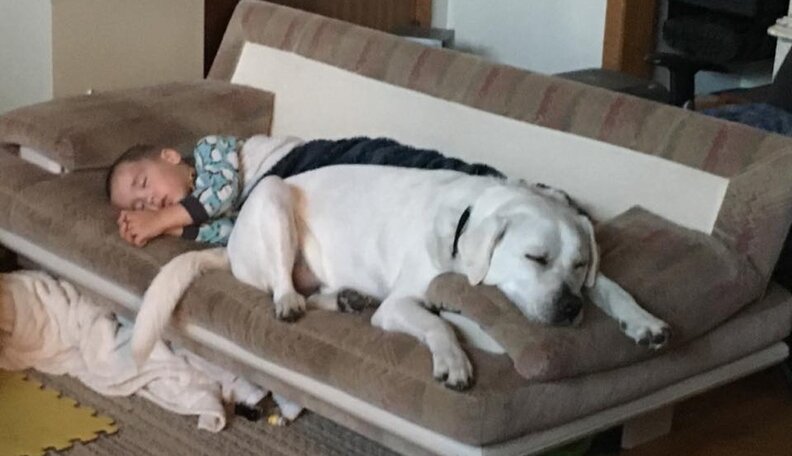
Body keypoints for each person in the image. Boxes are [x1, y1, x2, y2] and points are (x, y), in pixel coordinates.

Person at [107, 135, 503, 247]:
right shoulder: (196, 214)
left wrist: (161, 220)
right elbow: (231, 234)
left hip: (300, 163)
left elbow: (222, 191)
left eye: (143, 183)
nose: (149, 200)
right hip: (304, 199)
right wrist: (177, 229)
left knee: (387, 159)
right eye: (140, 204)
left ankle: (489, 181)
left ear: (170, 156)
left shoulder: (209, 150)